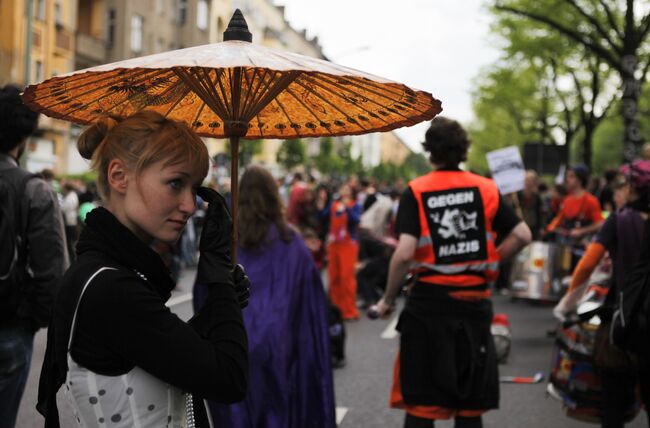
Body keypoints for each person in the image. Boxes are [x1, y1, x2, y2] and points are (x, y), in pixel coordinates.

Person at [37, 111, 250, 428]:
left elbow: (156, 349)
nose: (191, 205)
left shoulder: (106, 271)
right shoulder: (110, 288)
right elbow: (229, 378)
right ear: (119, 176)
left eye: (194, 188)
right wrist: (218, 279)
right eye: (175, 183)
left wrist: (220, 306)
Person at [374, 117, 532, 428]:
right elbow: (523, 235)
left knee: (422, 401)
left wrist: (387, 300)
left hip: (429, 307)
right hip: (474, 305)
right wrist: (491, 261)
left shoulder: (416, 191)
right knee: (469, 405)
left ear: (430, 152)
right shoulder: (486, 188)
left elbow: (405, 253)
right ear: (463, 151)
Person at [197, 165, 336, 428]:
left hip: (235, 349)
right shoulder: (292, 246)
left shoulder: (226, 244)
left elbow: (204, 298)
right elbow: (312, 315)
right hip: (281, 351)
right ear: (275, 197)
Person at [0, 84, 69, 428]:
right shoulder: (33, 190)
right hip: (10, 324)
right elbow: (52, 272)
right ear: (24, 138)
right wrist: (32, 319)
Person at [566, 160, 650, 428]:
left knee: (613, 400)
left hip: (623, 317)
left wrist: (568, 302)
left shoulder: (620, 220)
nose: (617, 192)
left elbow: (588, 263)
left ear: (633, 189)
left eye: (622, 185)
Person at [547, 164, 604, 268]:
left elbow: (600, 224)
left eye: (571, 176)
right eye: (567, 176)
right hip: (567, 251)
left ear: (580, 180)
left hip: (583, 252)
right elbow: (558, 221)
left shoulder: (591, 201)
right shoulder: (567, 200)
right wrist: (552, 228)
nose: (567, 179)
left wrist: (582, 231)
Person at [325, 183, 362, 320]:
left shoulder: (355, 205)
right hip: (334, 245)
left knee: (347, 278)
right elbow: (323, 216)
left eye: (347, 189)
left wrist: (347, 207)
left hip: (348, 246)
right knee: (334, 277)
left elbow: (356, 219)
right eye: (343, 189)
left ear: (352, 192)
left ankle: (349, 310)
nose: (344, 191)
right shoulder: (334, 205)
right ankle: (336, 309)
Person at [61, 182, 80, 261]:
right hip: (72, 220)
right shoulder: (73, 195)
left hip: (70, 222)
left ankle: (73, 258)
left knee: (71, 242)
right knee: (72, 241)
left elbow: (64, 208)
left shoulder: (70, 196)